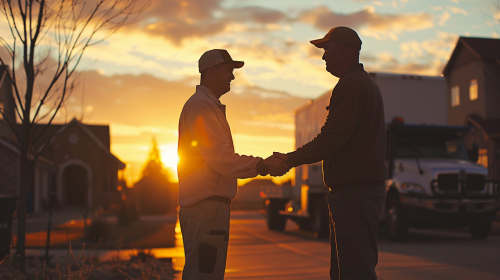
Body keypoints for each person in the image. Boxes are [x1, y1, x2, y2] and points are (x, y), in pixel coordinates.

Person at [271, 27, 387, 280]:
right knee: (346, 271)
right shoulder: (362, 83)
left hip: (355, 195)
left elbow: (331, 139)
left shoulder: (351, 85)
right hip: (358, 194)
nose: (323, 57)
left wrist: (289, 159)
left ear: (341, 48)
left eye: (326, 49)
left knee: (355, 272)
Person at [177, 49, 287, 280]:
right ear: (212, 71)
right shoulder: (202, 108)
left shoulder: (206, 106)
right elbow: (220, 158)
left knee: (202, 273)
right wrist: (262, 166)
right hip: (206, 209)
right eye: (229, 71)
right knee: (205, 275)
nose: (233, 77)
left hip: (206, 208)